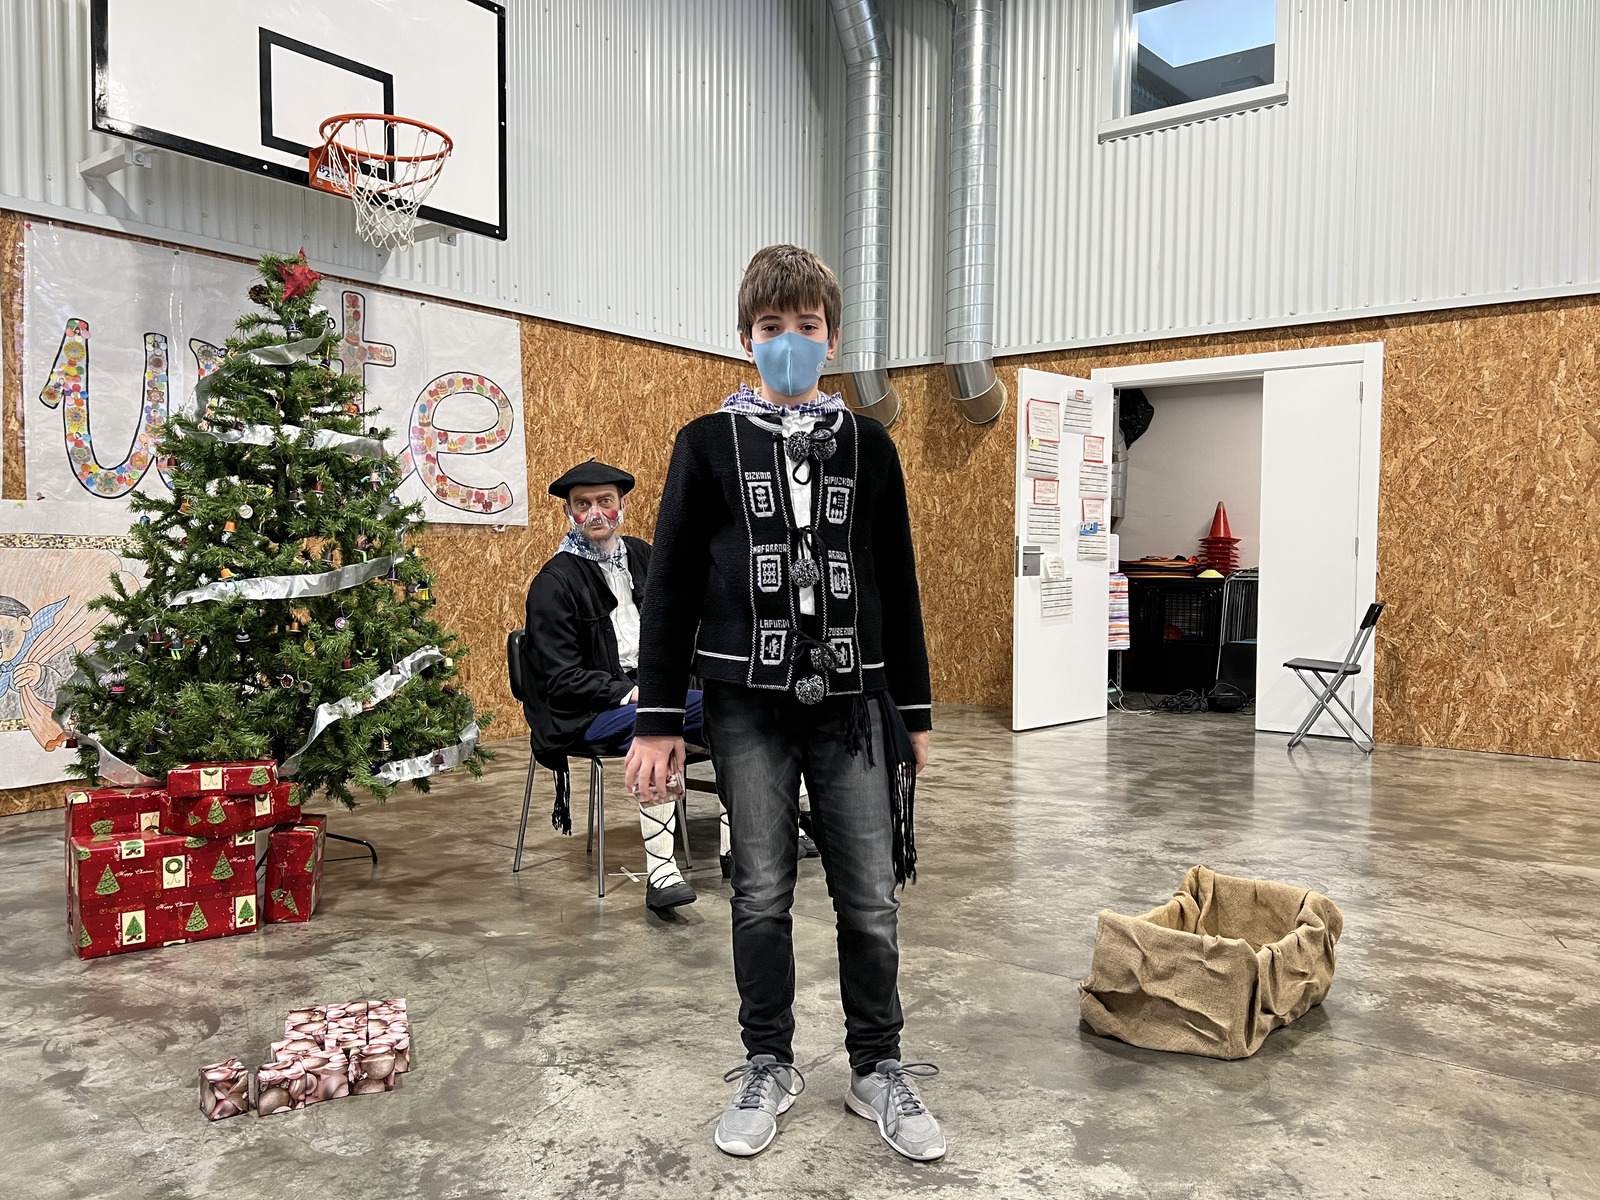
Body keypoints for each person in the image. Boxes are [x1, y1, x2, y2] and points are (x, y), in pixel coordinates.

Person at [626, 245, 943, 1161]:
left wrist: (915, 713)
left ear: (832, 338)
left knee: (870, 896)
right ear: (746, 339)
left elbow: (898, 581)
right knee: (760, 892)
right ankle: (768, 1061)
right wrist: (656, 720)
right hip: (745, 707)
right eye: (773, 327)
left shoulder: (870, 447)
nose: (791, 341)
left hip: (855, 709)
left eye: (808, 326)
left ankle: (877, 1067)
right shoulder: (705, 444)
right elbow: (670, 588)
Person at [521, 460, 698, 915]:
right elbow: (561, 679)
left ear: (622, 507)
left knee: (732, 706)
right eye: (583, 505)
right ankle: (661, 873)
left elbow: (681, 624)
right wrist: (635, 693)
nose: (595, 513)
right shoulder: (554, 582)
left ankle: (738, 849)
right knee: (657, 720)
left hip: (648, 690)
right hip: (583, 712)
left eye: (605, 501)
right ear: (569, 513)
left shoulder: (644, 557)